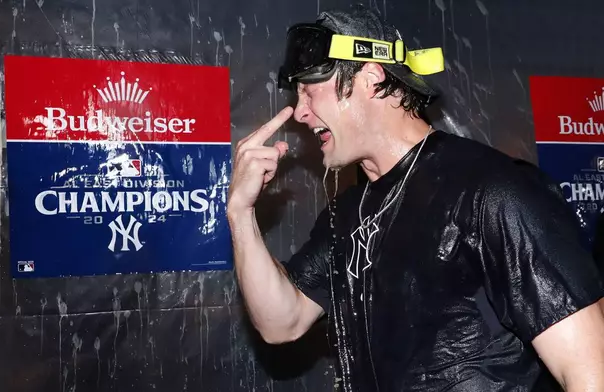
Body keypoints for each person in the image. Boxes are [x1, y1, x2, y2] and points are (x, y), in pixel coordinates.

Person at [227, 5, 604, 391]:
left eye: (309, 90)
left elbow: (590, 369)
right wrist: (241, 212)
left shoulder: (492, 190)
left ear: (371, 76)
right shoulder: (345, 214)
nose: (300, 113)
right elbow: (281, 322)